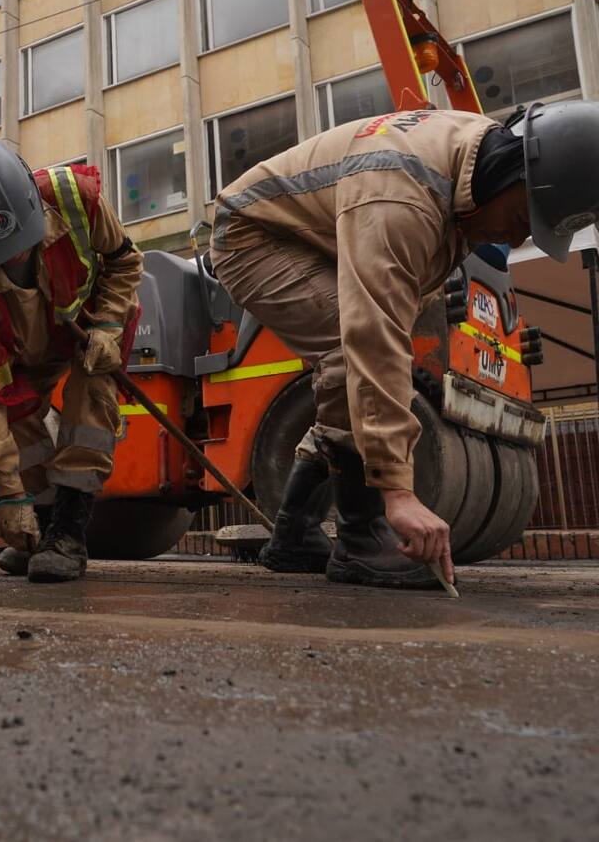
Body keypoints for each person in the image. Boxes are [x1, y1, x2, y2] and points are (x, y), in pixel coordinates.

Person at [210, 101, 599, 589]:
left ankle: (294, 532)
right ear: (506, 173)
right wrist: (398, 492)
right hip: (252, 236)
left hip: (318, 231)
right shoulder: (400, 199)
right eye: (523, 214)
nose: (519, 235)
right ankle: (358, 539)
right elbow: (374, 336)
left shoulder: (479, 160)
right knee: (349, 351)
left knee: (349, 370)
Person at [0, 133, 143, 583]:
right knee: (14, 417)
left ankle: (68, 534)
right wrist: (6, 496)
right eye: (2, 254)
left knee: (91, 403)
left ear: (28, 194)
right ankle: (40, 532)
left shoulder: (74, 199)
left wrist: (107, 326)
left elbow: (124, 260)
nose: (19, 254)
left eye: (23, 239)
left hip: (88, 331)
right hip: (23, 356)